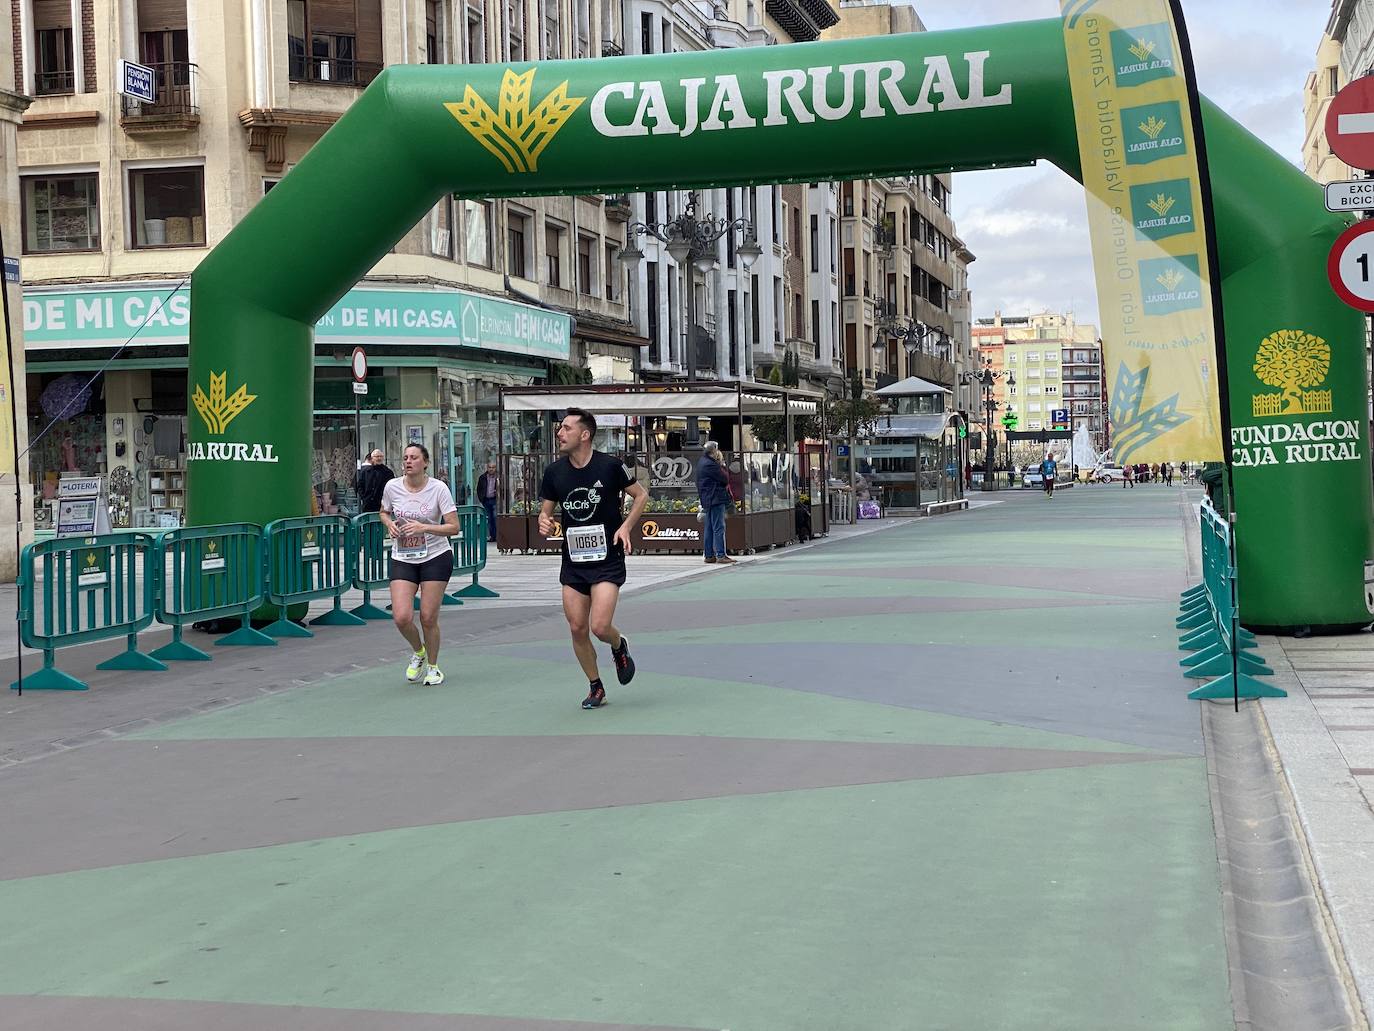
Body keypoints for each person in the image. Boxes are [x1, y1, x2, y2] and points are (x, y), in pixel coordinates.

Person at [539, 408, 650, 710]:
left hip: (606, 559)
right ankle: (595, 686)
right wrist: (544, 521)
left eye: (565, 428)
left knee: (599, 626)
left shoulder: (610, 467)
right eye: (559, 429)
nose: (559, 433)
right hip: (573, 562)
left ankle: (618, 645)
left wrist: (626, 526)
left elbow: (640, 495)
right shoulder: (554, 472)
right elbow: (546, 511)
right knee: (577, 627)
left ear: (584, 435)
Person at [379, 444, 459, 687]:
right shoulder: (392, 486)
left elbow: (453, 527)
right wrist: (389, 523)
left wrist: (424, 527)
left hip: (435, 555)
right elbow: (383, 511)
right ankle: (419, 652)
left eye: (414, 457)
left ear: (425, 462)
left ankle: (434, 667)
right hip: (403, 556)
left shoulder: (438, 489)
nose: (408, 461)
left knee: (427, 616)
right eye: (405, 458)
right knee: (402, 617)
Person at [696, 441, 735, 565]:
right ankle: (721, 555)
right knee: (719, 527)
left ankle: (709, 555)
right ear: (714, 451)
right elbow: (725, 478)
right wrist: (722, 464)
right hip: (715, 498)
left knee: (709, 527)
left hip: (708, 498)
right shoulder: (711, 464)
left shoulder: (702, 462)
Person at [476, 460, 499, 542]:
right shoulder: (482, 477)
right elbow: (479, 489)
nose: (491, 469)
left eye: (493, 467)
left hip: (495, 500)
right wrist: (481, 499)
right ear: (487, 468)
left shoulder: (499, 477)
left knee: (495, 517)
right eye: (490, 467)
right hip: (486, 500)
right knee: (489, 519)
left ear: (495, 468)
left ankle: (497, 536)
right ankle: (492, 536)